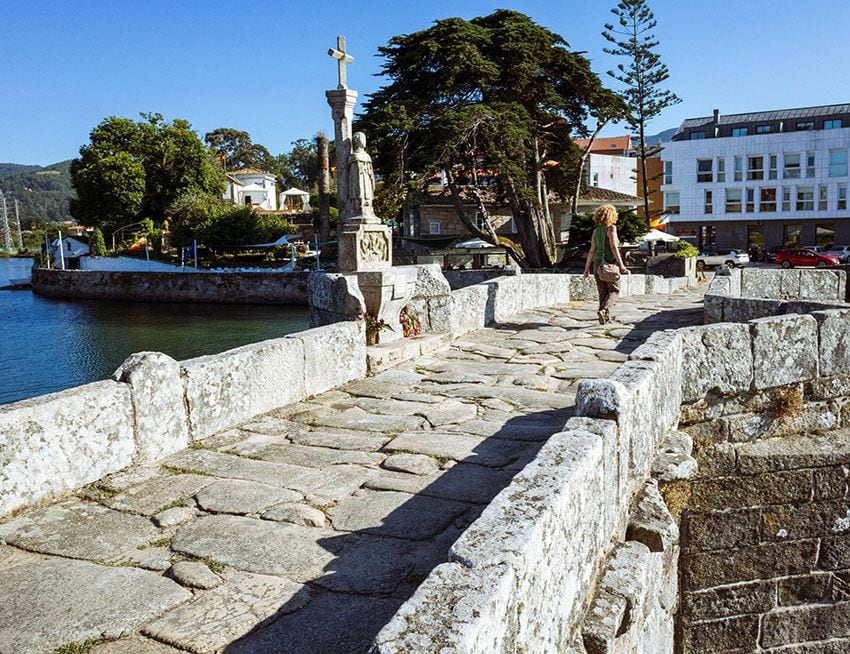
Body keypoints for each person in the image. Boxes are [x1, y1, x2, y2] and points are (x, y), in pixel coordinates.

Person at [583, 204, 629, 325]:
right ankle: (604, 310)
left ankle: (604, 317)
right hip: (609, 263)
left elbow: (592, 250)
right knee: (614, 290)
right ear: (612, 215)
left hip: (597, 264)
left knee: (602, 291)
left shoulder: (596, 230)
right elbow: (614, 247)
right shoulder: (611, 229)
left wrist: (586, 268)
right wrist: (622, 265)